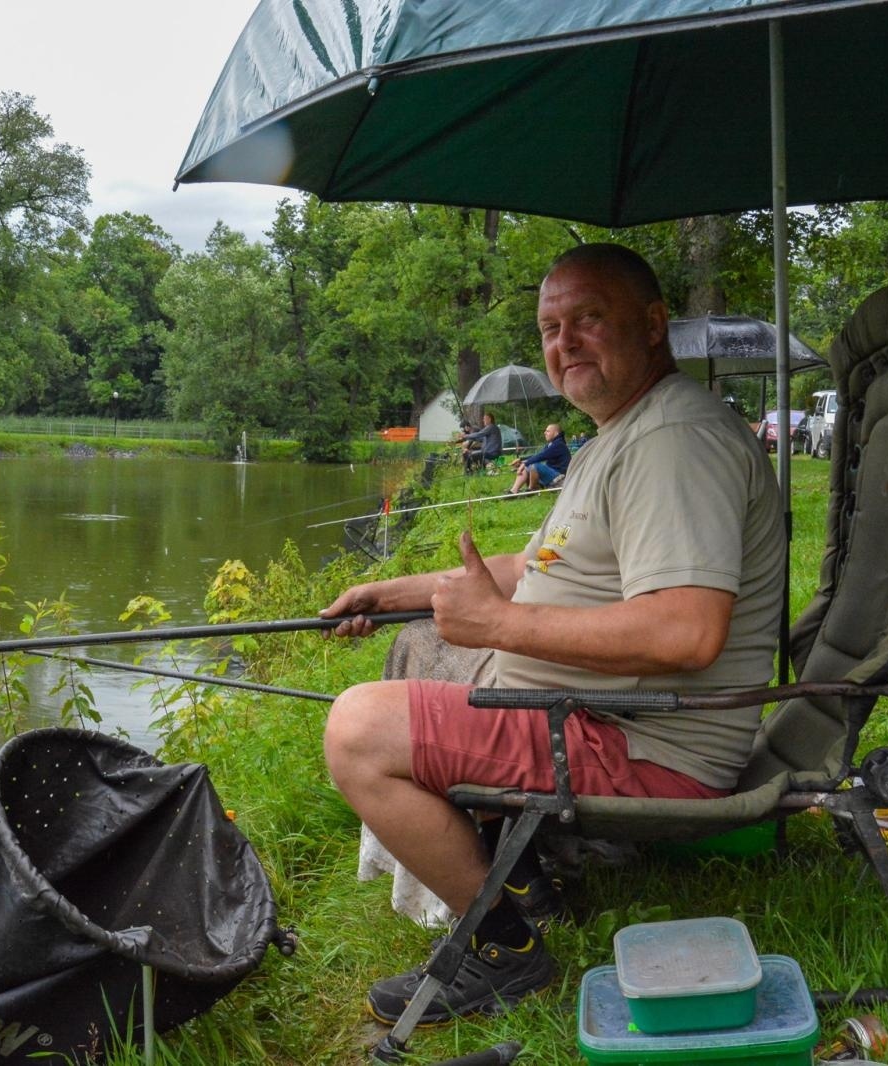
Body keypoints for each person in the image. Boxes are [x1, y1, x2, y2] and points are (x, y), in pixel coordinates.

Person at [319, 243, 783, 1026]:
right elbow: (529, 569)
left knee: (359, 729)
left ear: (653, 324)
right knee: (429, 660)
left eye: (588, 319)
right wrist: (388, 593)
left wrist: (497, 625)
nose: (563, 343)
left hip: (642, 745)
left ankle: (504, 951)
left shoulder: (674, 445)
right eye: (550, 327)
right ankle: (525, 879)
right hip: (595, 716)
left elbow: (687, 633)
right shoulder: (620, 437)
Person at [507, 422, 570, 493]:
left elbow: (541, 456)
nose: (544, 433)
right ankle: (513, 491)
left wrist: (525, 463)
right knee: (527, 466)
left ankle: (531, 490)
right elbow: (538, 454)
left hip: (560, 477)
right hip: (552, 473)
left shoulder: (559, 444)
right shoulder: (552, 444)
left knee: (534, 466)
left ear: (556, 433)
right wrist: (521, 460)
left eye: (548, 431)